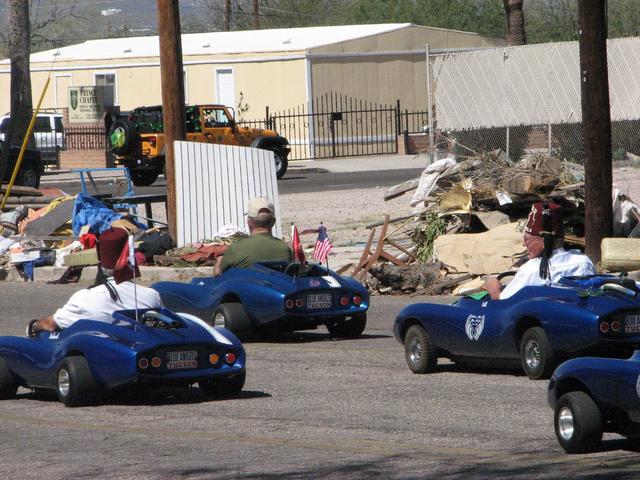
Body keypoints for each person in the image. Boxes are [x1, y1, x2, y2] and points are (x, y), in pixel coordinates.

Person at [27, 227, 163, 335]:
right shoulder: (152, 295)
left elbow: (51, 324)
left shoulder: (84, 298)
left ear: (99, 256)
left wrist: (34, 325)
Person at [484, 202, 596, 300]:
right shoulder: (584, 262)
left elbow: (504, 301)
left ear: (543, 241)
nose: (524, 243)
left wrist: (493, 289)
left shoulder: (531, 271)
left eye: (527, 239)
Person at [214, 196, 293, 276]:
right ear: (273, 222)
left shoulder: (235, 249)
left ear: (249, 222)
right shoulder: (285, 249)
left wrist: (219, 259)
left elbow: (218, 274)